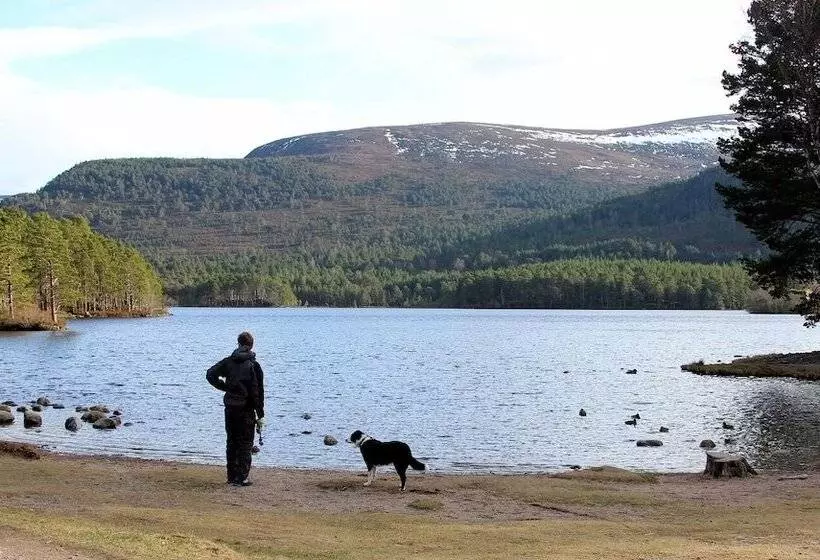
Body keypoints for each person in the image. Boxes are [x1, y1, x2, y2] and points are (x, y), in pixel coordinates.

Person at [206, 331, 265, 486]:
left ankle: (232, 476)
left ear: (238, 344)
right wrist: (260, 414)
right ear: (251, 346)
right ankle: (242, 477)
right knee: (245, 443)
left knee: (231, 442)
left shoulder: (229, 362)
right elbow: (257, 392)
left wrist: (224, 387)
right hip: (246, 409)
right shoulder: (254, 365)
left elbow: (210, 374)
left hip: (231, 407)